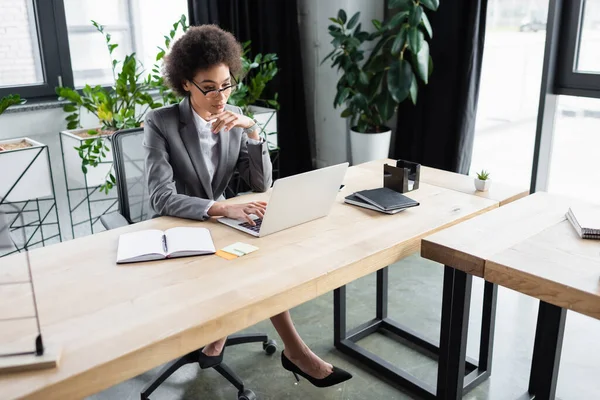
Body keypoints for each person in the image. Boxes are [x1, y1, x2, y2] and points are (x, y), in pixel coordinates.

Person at [143, 24, 351, 388]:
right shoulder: (161, 123)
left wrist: (253, 131)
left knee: (266, 261)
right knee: (251, 266)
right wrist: (223, 209)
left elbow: (260, 184)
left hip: (222, 227)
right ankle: (295, 352)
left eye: (226, 85)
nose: (219, 96)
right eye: (208, 87)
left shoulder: (234, 115)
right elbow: (161, 197)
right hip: (178, 230)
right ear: (186, 84)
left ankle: (227, 333)